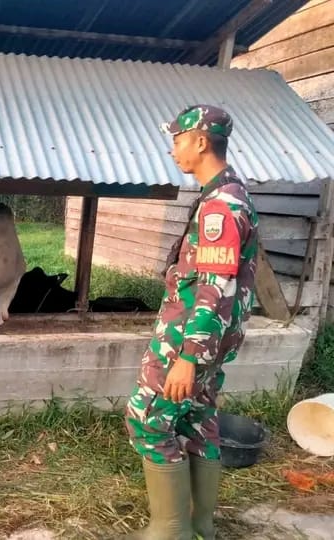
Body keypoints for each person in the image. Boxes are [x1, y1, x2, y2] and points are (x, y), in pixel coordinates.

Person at [121, 105, 259, 539]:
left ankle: (169, 530)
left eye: (178, 140)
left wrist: (188, 357)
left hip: (189, 340)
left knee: (146, 418)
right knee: (198, 420)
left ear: (201, 141)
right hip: (209, 339)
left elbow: (214, 288)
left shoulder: (220, 205)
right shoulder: (226, 195)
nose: (173, 149)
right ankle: (200, 526)